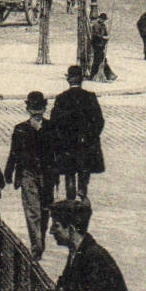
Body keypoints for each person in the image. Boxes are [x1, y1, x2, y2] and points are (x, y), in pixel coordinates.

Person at [5, 91, 57, 259]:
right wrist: (9, 171)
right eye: (33, 108)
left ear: (44, 108)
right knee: (32, 209)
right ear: (28, 109)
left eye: (39, 108)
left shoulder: (51, 127)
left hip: (47, 175)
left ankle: (39, 238)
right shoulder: (20, 129)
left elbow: (57, 152)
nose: (36, 112)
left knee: (45, 210)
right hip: (27, 173)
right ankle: (37, 245)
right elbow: (14, 152)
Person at [48, 66, 105, 201]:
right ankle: (82, 192)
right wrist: (91, 137)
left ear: (68, 79)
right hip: (85, 144)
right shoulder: (90, 97)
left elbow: (54, 123)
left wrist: (59, 140)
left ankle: (71, 198)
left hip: (67, 145)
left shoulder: (61, 98)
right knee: (84, 170)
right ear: (82, 79)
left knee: (69, 173)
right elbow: (99, 121)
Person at [87, 13, 116, 81]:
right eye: (103, 19)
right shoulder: (96, 25)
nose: (104, 21)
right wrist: (103, 37)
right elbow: (96, 35)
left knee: (101, 60)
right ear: (100, 18)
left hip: (101, 45)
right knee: (99, 61)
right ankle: (107, 75)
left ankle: (107, 75)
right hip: (97, 45)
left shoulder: (103, 26)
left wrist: (106, 37)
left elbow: (105, 34)